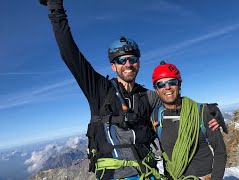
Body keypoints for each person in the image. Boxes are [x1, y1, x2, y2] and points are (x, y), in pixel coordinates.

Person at [39, 0, 226, 179]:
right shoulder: (100, 90)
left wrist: (207, 109)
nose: (127, 64)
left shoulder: (147, 96)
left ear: (138, 63)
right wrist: (56, 8)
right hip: (115, 175)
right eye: (121, 60)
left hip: (148, 172)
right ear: (113, 66)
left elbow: (174, 101)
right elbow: (69, 53)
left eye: (132, 59)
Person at [151, 61, 227, 180]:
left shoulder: (202, 112)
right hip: (173, 175)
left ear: (179, 85)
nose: (167, 87)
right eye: (161, 84)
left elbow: (220, 151)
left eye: (172, 82)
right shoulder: (156, 116)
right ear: (156, 90)